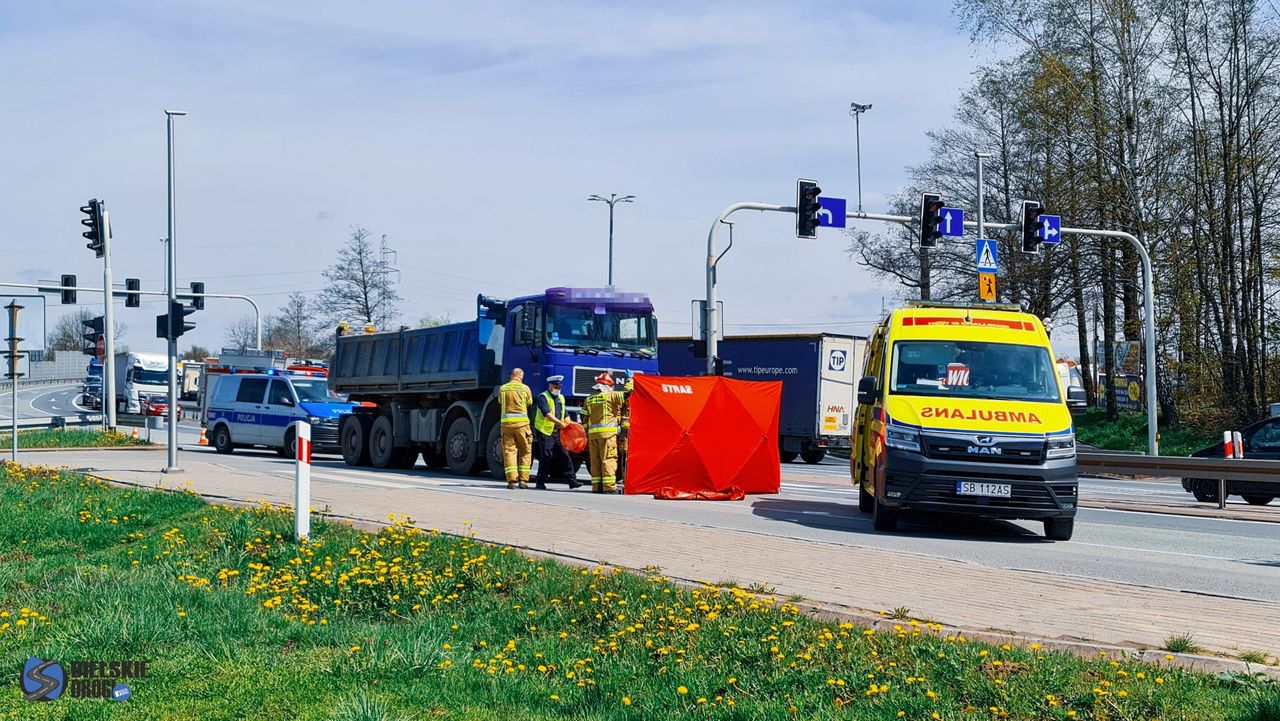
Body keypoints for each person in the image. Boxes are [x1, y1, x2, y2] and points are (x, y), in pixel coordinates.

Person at [533, 375, 581, 490]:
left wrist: (570, 426)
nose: (557, 388)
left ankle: (572, 481)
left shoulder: (561, 398)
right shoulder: (542, 397)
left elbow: (565, 414)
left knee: (565, 455)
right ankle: (540, 482)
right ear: (550, 385)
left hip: (558, 432)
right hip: (545, 431)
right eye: (555, 386)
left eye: (559, 386)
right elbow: (547, 414)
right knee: (546, 456)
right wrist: (561, 424)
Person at [583, 372, 626, 493]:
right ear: (608, 386)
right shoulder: (611, 396)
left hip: (593, 436)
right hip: (607, 435)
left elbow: (584, 417)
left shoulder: (589, 399)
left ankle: (596, 487)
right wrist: (630, 380)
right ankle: (609, 487)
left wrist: (587, 431)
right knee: (608, 459)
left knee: (595, 461)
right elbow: (628, 394)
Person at [498, 368, 533, 489]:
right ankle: (523, 481)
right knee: (525, 452)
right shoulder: (525, 388)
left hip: (507, 425)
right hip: (523, 425)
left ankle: (511, 481)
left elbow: (500, 402)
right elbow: (529, 402)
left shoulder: (503, 388)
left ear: (511, 375)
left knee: (509, 452)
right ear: (521, 377)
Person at [617, 373, 634, 484]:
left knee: (624, 454)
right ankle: (628, 478)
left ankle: (626, 478)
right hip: (632, 428)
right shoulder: (638, 397)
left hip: (625, 429)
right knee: (627, 454)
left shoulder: (622, 398)